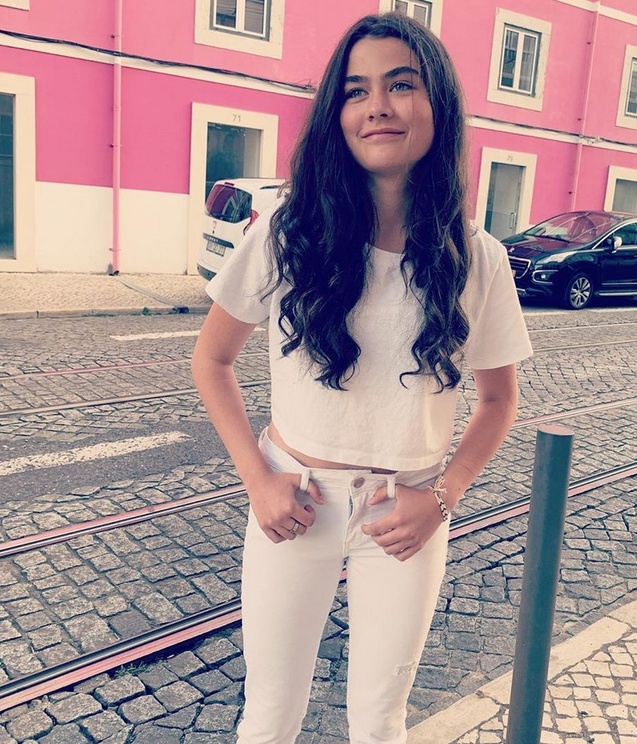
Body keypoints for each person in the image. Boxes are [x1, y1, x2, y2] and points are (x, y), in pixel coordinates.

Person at [191, 11, 532, 744]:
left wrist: (442, 497)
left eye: (401, 85)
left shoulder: (477, 257)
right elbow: (211, 361)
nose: (377, 105)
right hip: (296, 502)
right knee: (269, 715)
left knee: (379, 721)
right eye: (356, 90)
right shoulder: (287, 233)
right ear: (336, 114)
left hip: (404, 517)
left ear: (438, 104)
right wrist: (258, 479)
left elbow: (499, 399)